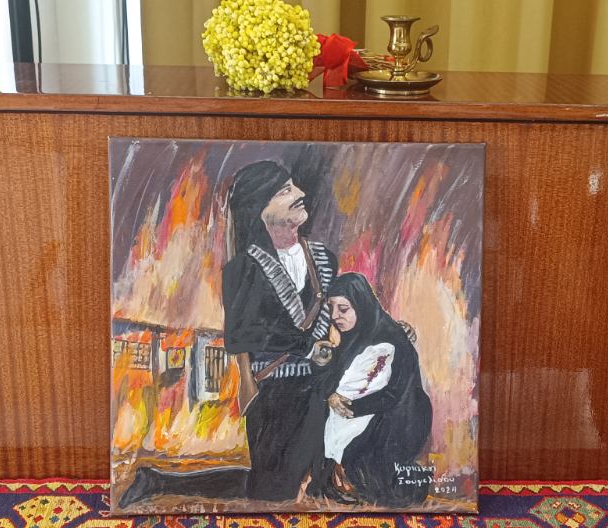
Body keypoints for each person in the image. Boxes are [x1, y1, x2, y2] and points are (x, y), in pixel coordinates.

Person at [119, 160, 336, 508]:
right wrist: (303, 349)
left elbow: (339, 311)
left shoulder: (324, 259)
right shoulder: (243, 268)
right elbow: (242, 336)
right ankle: (158, 480)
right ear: (261, 209)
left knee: (314, 482)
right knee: (272, 491)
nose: (300, 194)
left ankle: (157, 479)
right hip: (274, 390)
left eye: (294, 186)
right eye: (285, 191)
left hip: (320, 385)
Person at [308, 273, 433, 508]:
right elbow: (333, 380)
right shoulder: (352, 336)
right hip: (361, 420)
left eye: (343, 309)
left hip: (393, 425)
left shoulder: (392, 339)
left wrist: (348, 407)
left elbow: (394, 396)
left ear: (361, 305)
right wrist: (329, 391)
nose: (334, 316)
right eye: (331, 308)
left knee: (386, 490)